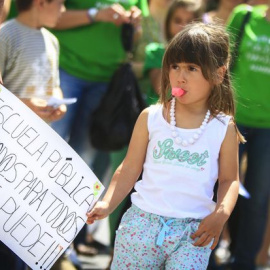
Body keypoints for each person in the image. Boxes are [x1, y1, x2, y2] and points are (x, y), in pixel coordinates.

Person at [86, 22, 245, 269]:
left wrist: (220, 216)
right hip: (141, 226)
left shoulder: (224, 127)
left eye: (192, 68)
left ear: (218, 74)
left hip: (193, 233)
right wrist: (108, 203)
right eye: (174, 66)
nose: (180, 76)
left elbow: (229, 180)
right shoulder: (150, 117)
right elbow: (129, 168)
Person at [48, 0, 148, 256]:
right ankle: (36, 239)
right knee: (49, 157)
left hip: (106, 82)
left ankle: (62, 244)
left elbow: (136, 41)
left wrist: (134, 24)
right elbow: (50, 17)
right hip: (64, 71)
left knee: (83, 166)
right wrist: (96, 15)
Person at [226, 3, 270, 270]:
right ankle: (203, 258)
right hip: (233, 120)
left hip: (269, 129)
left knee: (258, 197)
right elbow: (222, 61)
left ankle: (243, 263)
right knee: (220, 190)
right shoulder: (243, 16)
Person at [0, 0, 66, 123]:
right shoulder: (5, 36)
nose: (63, 10)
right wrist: (24, 105)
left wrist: (59, 100)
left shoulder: (52, 41)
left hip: (38, 134)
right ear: (41, 3)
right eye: (60, 4)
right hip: (9, 130)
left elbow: (54, 85)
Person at [144, 0, 203, 106]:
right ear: (168, 23)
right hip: (162, 116)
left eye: (190, 22)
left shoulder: (203, 58)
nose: (183, 26)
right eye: (178, 20)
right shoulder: (155, 52)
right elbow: (162, 90)